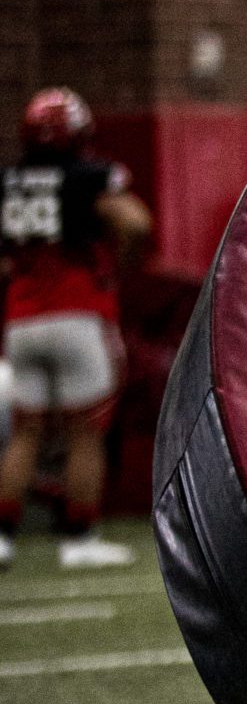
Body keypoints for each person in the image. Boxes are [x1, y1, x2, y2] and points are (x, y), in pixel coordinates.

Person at [1, 88, 152, 570]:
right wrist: (114, 267)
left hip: (22, 321)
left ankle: (2, 535)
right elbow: (135, 221)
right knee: (86, 433)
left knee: (24, 433)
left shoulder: (9, 180)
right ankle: (80, 537)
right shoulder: (89, 175)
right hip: (79, 315)